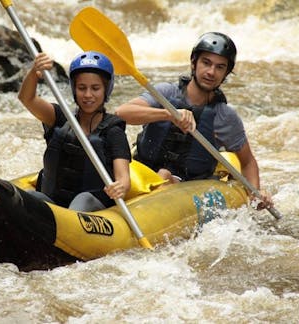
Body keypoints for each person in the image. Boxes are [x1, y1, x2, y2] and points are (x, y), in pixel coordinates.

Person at [115, 32, 273, 210]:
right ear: (193, 62)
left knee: (165, 175)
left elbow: (248, 162)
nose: (211, 72)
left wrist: (255, 193)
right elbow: (121, 113)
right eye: (206, 63)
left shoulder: (225, 117)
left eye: (220, 67)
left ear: (226, 73)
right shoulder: (166, 93)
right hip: (142, 172)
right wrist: (168, 114)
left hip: (188, 184)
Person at [18, 51, 131, 212]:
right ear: (74, 89)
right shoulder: (59, 117)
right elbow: (26, 98)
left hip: (92, 206)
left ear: (106, 89)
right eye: (81, 88)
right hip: (55, 203)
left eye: (95, 88)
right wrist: (34, 72)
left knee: (82, 199)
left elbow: (123, 178)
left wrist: (120, 187)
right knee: (30, 197)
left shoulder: (113, 131)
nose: (88, 95)